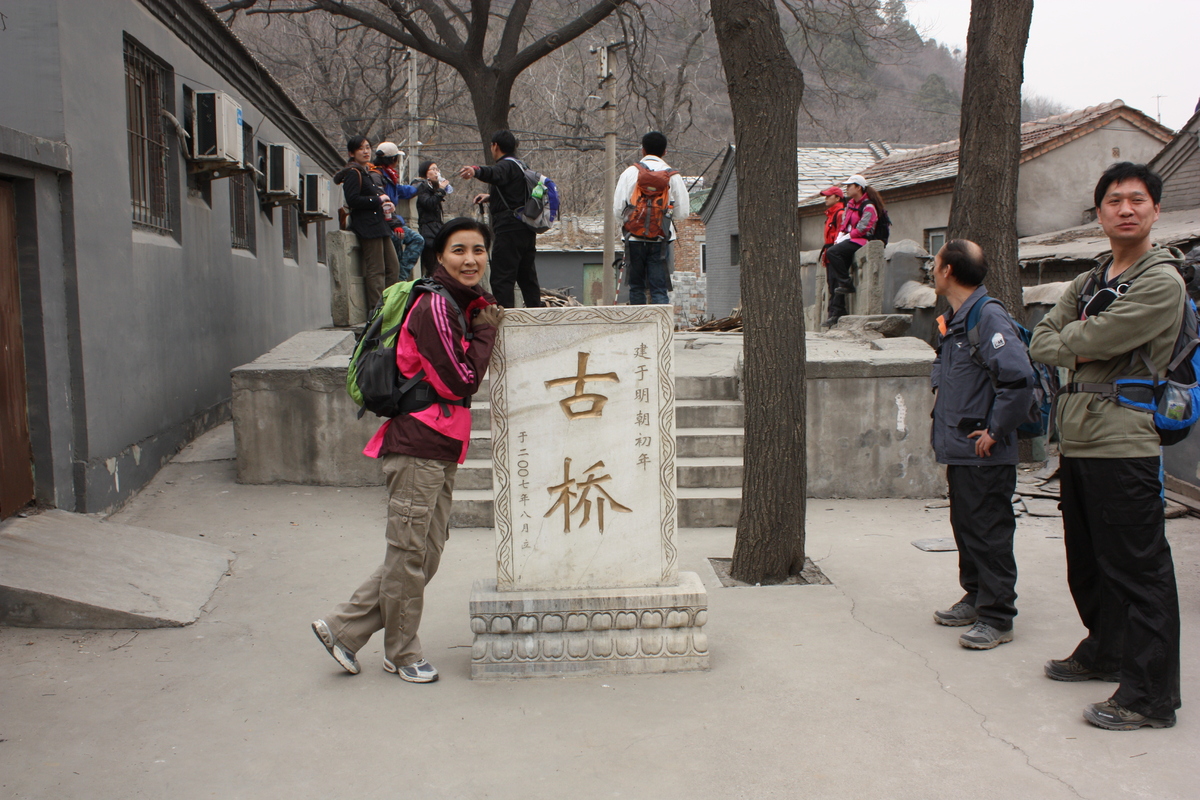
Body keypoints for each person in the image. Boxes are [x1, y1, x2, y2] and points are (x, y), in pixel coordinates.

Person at [312, 217, 503, 683]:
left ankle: (342, 629)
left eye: (478, 250)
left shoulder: (460, 303)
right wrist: (485, 332)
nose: (470, 259)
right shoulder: (435, 306)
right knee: (410, 554)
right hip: (418, 444)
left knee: (423, 554)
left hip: (438, 445)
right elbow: (460, 380)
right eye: (459, 250)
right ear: (440, 256)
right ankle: (401, 652)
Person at [1030, 162, 1183, 731]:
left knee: (1140, 571)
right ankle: (1107, 649)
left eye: (1137, 199)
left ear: (1155, 210)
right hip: (1080, 437)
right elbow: (1042, 339)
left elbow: (1093, 337)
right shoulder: (1093, 277)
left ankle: (1150, 697)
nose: (1125, 208)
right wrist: (1076, 344)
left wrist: (1073, 342)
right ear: (1099, 212)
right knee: (1090, 563)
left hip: (1123, 439)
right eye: (1114, 199)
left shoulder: (1160, 281)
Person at [929, 240, 1035, 650]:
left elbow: (1018, 378)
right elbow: (943, 362)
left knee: (989, 530)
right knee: (967, 526)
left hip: (984, 450)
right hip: (960, 446)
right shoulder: (956, 317)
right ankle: (974, 596)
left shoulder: (988, 316)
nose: (931, 270)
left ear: (949, 271)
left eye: (934, 263)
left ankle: (997, 616)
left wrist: (995, 431)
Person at [458, 130, 543, 309]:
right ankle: (536, 313)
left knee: (502, 277)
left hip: (509, 229)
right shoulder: (522, 166)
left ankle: (505, 320)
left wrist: (475, 170)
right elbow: (516, 195)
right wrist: (491, 197)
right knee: (527, 276)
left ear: (495, 146)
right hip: (526, 227)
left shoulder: (506, 165)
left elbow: (494, 173)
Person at [612, 131, 690, 305]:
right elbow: (683, 212)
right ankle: (662, 330)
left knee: (636, 287)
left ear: (643, 150)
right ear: (665, 152)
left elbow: (618, 209)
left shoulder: (630, 173)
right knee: (659, 288)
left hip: (633, 239)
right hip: (661, 238)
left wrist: (631, 222)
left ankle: (640, 329)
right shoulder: (673, 176)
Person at [334, 135, 399, 311]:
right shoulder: (353, 173)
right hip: (367, 226)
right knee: (376, 269)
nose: (366, 151)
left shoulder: (367, 171)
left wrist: (385, 203)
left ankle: (390, 305)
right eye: (361, 148)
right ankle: (378, 310)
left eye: (368, 147)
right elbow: (353, 200)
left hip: (380, 224)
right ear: (352, 153)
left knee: (393, 267)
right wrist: (377, 200)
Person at [822, 174, 881, 328]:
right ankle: (837, 312)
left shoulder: (868, 206)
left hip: (860, 240)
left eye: (850, 186)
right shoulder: (850, 205)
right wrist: (842, 235)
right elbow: (845, 224)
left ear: (859, 187)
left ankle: (846, 282)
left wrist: (847, 236)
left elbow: (864, 228)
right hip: (849, 239)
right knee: (834, 273)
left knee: (833, 253)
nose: (847, 189)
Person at [373, 142, 423, 282]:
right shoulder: (378, 176)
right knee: (417, 240)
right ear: (392, 159)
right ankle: (400, 279)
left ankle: (398, 280)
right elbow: (385, 204)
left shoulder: (387, 175)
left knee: (398, 255)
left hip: (391, 222)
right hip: (386, 224)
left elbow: (400, 191)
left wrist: (417, 187)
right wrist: (396, 224)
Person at [414, 160, 454, 276]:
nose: (437, 172)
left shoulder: (432, 188)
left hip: (436, 230)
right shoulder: (421, 185)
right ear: (425, 172)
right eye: (433, 169)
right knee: (433, 268)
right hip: (427, 231)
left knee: (440, 267)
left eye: (437, 169)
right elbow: (428, 203)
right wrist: (440, 190)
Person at [819, 185, 846, 305]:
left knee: (835, 284)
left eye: (829, 196)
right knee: (831, 284)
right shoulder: (830, 215)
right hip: (830, 252)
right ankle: (833, 311)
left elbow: (840, 235)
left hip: (835, 252)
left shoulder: (839, 214)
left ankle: (836, 311)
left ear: (837, 198)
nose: (826, 199)